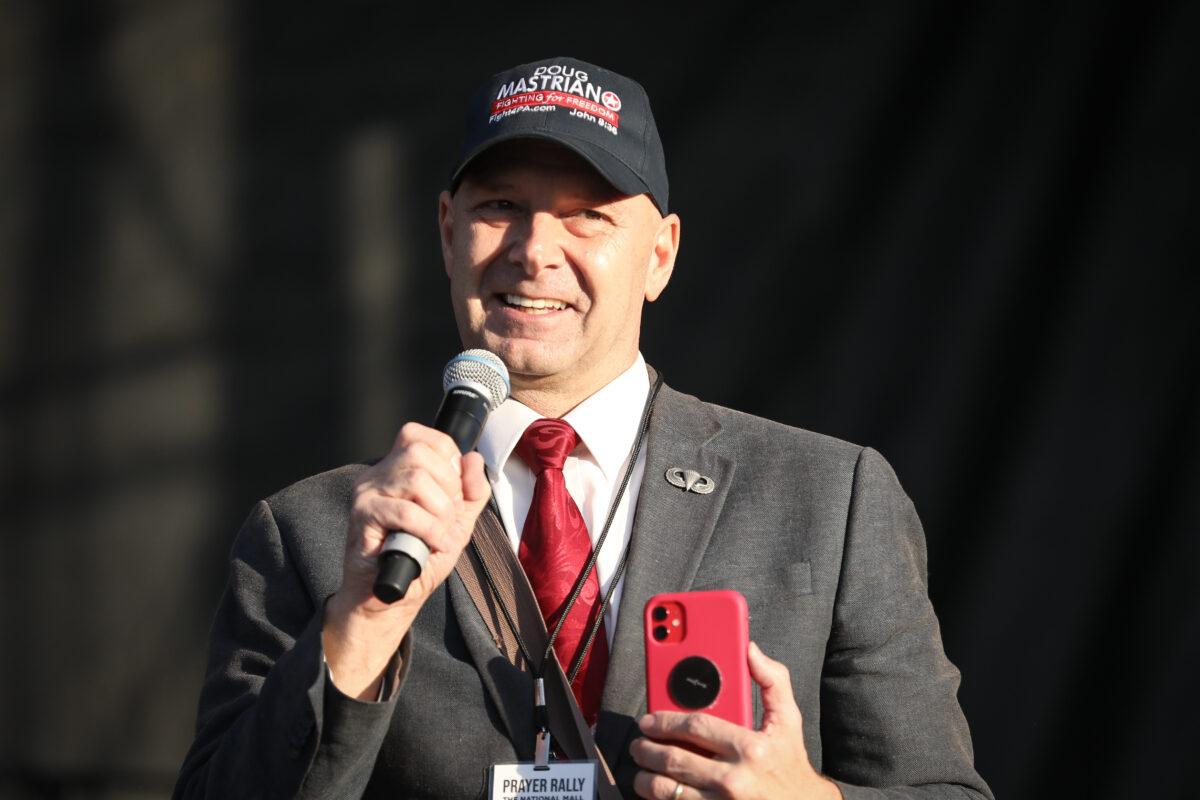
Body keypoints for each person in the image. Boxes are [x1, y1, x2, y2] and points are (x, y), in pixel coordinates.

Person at [174, 57, 992, 800]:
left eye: (589, 216)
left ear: (661, 256)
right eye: (501, 207)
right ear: (448, 232)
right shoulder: (315, 532)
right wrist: (358, 626)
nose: (535, 251)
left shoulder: (828, 496)